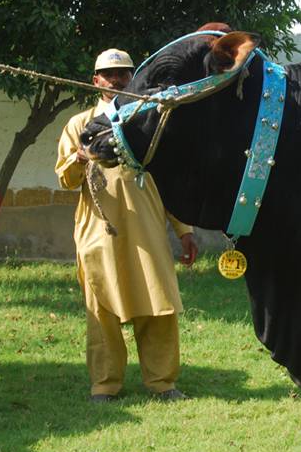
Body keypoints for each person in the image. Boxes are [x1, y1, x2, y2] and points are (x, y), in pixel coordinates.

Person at [55, 48, 198, 403]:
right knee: (102, 308)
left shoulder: (150, 121)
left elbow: (167, 180)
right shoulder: (80, 124)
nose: (117, 79)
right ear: (96, 80)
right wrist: (80, 155)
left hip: (147, 228)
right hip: (100, 231)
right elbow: (65, 179)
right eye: (109, 74)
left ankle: (163, 383)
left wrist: (184, 229)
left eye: (124, 74)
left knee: (157, 304)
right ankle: (104, 385)